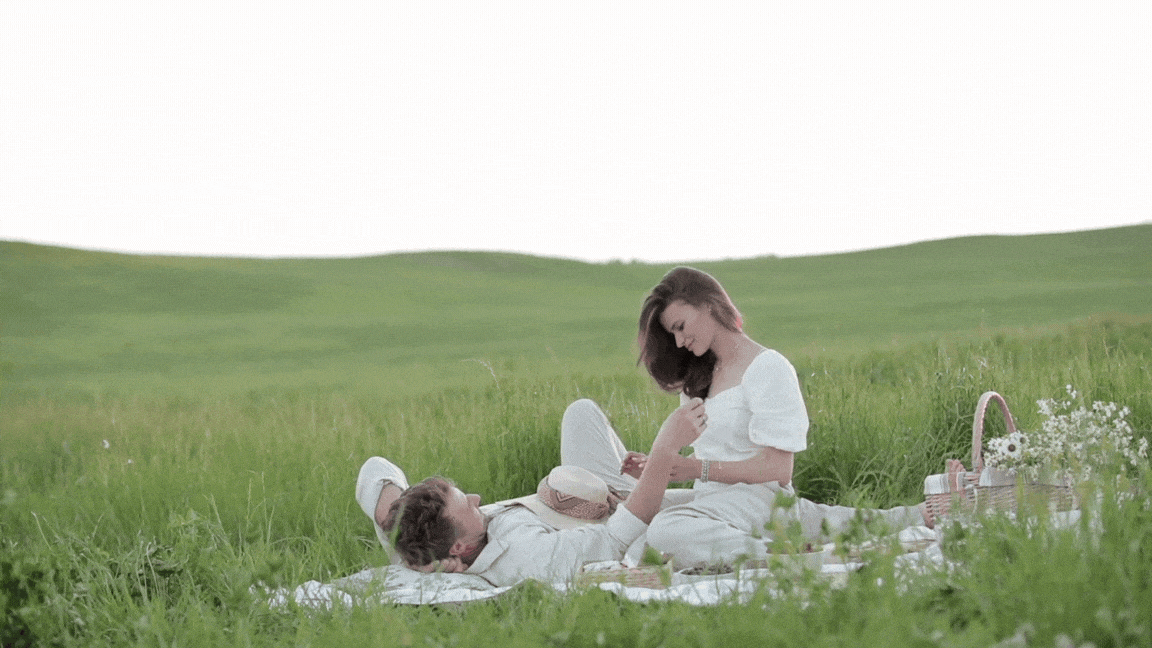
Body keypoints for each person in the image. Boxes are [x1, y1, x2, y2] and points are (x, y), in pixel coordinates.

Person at [624, 266, 931, 568]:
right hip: (714, 502)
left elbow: (778, 469)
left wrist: (696, 469)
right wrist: (662, 469)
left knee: (665, 530)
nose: (679, 341)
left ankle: (785, 558)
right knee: (636, 519)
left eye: (680, 326)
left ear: (707, 304)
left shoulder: (767, 367)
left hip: (761, 499)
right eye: (672, 334)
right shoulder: (697, 381)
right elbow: (717, 455)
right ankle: (766, 550)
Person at [355, 396, 706, 587]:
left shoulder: (410, 541)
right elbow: (617, 536)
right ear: (459, 547)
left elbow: (375, 469)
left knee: (580, 412)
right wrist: (665, 448)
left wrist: (398, 532)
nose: (478, 500)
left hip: (586, 486)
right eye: (469, 507)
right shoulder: (526, 559)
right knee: (717, 499)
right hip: (629, 512)